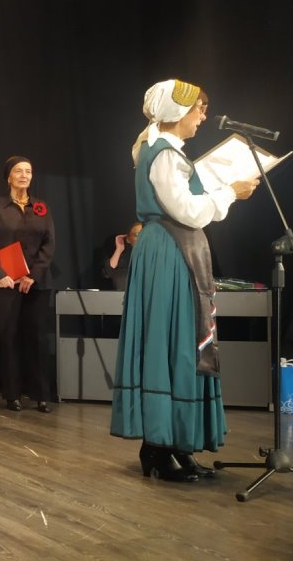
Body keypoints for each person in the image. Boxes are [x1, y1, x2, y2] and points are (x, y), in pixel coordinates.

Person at [111, 79, 257, 481]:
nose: (203, 117)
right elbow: (188, 211)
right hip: (169, 251)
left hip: (178, 249)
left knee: (184, 340)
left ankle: (177, 443)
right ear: (177, 112)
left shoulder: (165, 150)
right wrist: (230, 192)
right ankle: (157, 446)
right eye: (199, 109)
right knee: (171, 339)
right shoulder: (162, 155)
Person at [0, 155, 56, 413]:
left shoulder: (41, 207)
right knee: (9, 337)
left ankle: (41, 395)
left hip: (37, 283)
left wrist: (32, 275)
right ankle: (12, 394)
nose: (24, 175)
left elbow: (49, 243)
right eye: (18, 171)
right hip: (6, 283)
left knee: (37, 338)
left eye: (28, 171)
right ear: (8, 177)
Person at [103, 222, 142, 290]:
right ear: (128, 239)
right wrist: (119, 249)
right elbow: (108, 272)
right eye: (137, 235)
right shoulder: (123, 261)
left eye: (144, 235)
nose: (141, 238)